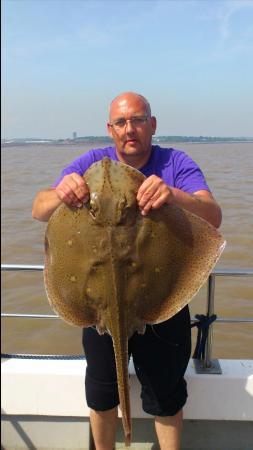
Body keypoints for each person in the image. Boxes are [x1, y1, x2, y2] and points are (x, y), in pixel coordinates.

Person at [32, 92, 222, 450]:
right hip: (98, 306)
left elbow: (213, 217)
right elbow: (39, 210)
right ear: (110, 129)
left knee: (166, 393)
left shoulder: (175, 162)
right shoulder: (91, 163)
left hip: (161, 298)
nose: (129, 129)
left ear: (152, 124)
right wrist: (62, 192)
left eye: (137, 120)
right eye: (120, 122)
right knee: (102, 392)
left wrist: (173, 195)